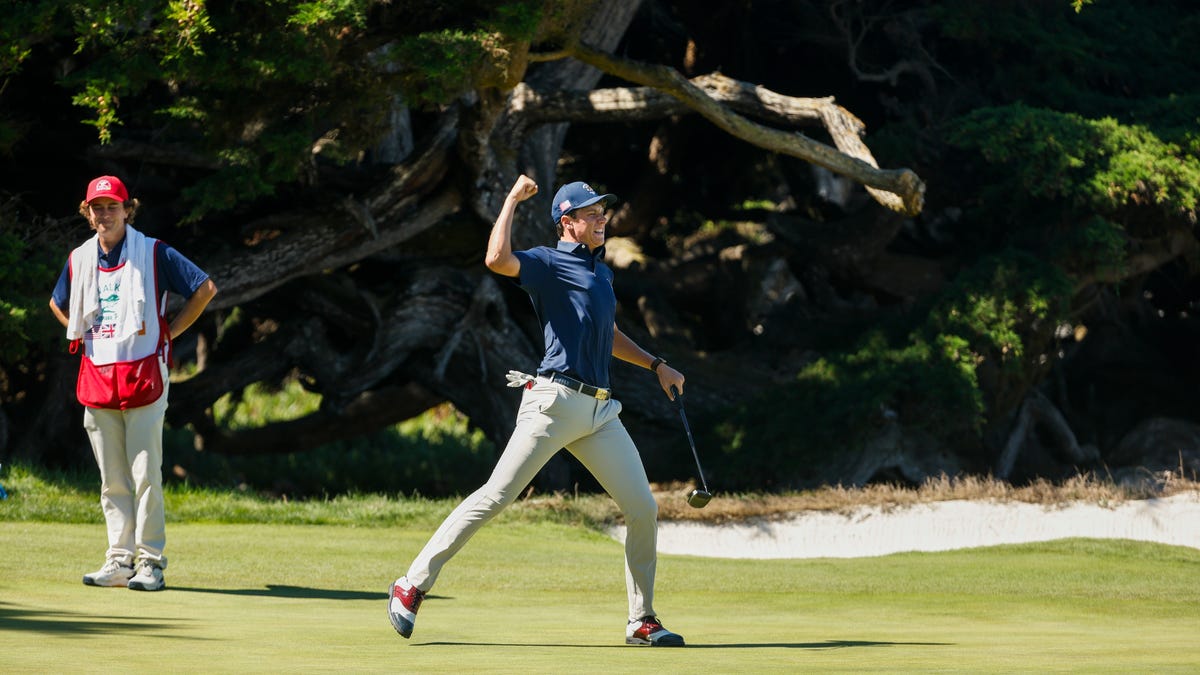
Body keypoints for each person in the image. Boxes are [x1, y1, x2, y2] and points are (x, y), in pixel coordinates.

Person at [387, 175, 689, 646]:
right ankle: (411, 584)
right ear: (566, 222)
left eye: (602, 212)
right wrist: (510, 200)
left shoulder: (601, 271)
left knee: (642, 508)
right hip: (553, 402)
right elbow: (495, 260)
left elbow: (606, 335)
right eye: (590, 214)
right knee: (496, 496)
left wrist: (656, 365)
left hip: (600, 412)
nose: (601, 219)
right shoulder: (548, 262)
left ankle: (641, 620)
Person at [49, 175, 217, 591]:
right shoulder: (80, 258)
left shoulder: (154, 252)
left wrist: (170, 332)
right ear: (87, 214)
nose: (105, 214)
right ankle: (119, 559)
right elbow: (57, 302)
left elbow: (205, 288)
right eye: (97, 207)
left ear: (128, 210)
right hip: (99, 374)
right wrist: (78, 333)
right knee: (112, 478)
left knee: (146, 473)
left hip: (144, 373)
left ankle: (150, 563)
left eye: (112, 206)